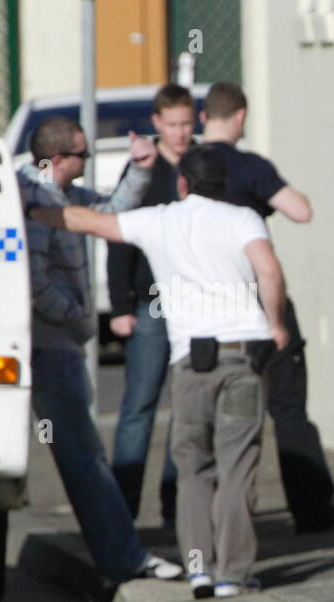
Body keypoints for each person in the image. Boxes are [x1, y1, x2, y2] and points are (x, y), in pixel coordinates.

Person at [30, 145, 291, 599]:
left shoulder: (160, 220)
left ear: (184, 182)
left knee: (192, 468)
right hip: (245, 354)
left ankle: (199, 570)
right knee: (238, 465)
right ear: (223, 184)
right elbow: (269, 270)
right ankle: (234, 574)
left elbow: (86, 221)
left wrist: (28, 207)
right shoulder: (244, 218)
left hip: (190, 360)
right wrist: (276, 324)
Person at [17, 116, 183, 587]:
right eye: (83, 155)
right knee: (83, 456)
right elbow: (35, 280)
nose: (87, 163)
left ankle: (120, 554)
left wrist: (140, 169)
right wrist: (75, 317)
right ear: (58, 159)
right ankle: (123, 557)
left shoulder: (62, 196)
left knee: (79, 454)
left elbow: (114, 213)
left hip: (55, 344)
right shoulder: (35, 201)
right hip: (51, 346)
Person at [198, 81, 334, 534]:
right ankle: (314, 512)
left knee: (206, 413)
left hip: (205, 304)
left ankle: (204, 520)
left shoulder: (189, 168)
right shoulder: (249, 167)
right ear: (241, 117)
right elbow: (300, 211)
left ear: (201, 118)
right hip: (258, 300)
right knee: (288, 408)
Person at [105, 83, 197, 527]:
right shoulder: (143, 166)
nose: (180, 133)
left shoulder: (203, 163)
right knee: (139, 406)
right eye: (172, 124)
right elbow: (120, 236)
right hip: (149, 303)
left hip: (196, 303)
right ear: (157, 123)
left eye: (186, 123)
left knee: (188, 408)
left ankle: (176, 506)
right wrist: (119, 303)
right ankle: (121, 511)